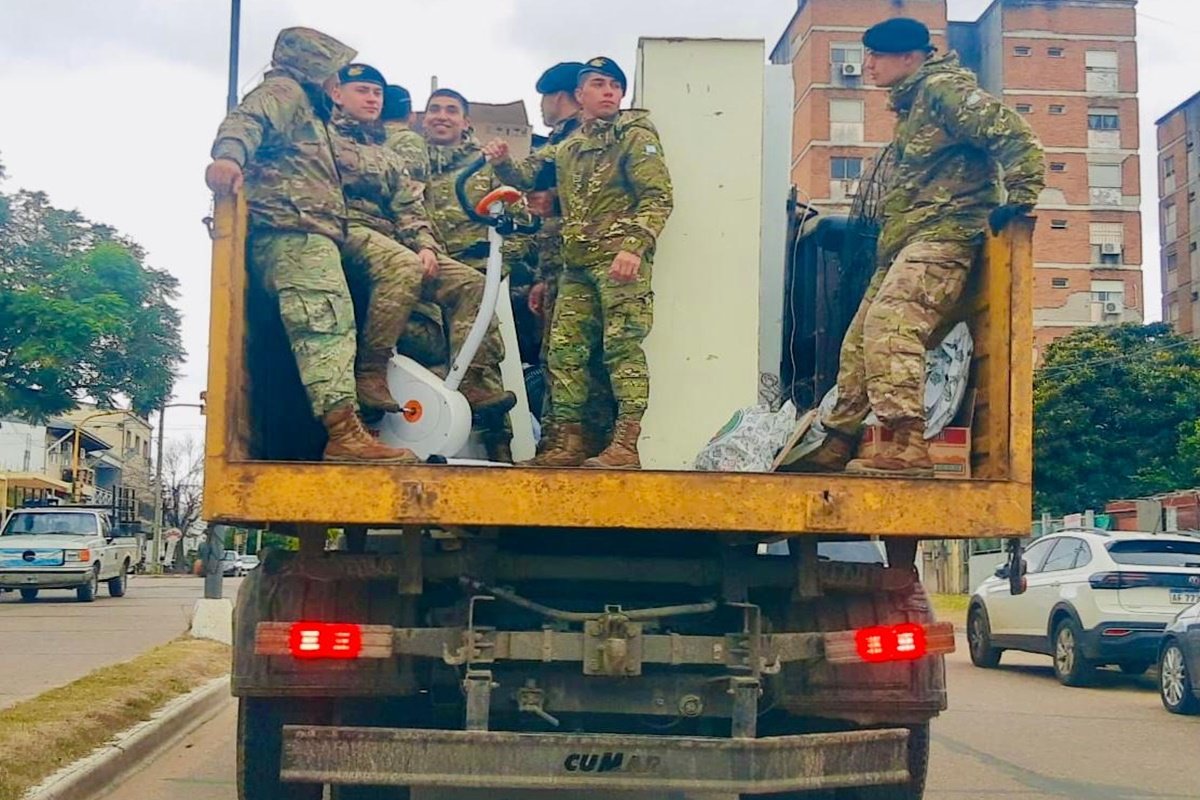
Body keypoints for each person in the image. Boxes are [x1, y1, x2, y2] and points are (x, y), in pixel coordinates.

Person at [794, 17, 1045, 477]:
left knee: (892, 326)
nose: (866, 65)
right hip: (908, 241)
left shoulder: (943, 91)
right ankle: (839, 438)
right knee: (859, 339)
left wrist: (1022, 197)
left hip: (945, 234)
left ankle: (909, 446)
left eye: (876, 56)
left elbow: (1015, 134)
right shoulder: (913, 105)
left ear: (909, 58)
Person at [204, 28, 417, 464]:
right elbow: (247, 119)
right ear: (314, 67)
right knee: (324, 327)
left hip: (309, 232)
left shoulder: (308, 107)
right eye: (334, 73)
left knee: (332, 324)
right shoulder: (285, 91)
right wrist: (227, 156)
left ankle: (348, 430)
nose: (335, 83)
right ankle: (344, 434)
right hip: (291, 232)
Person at [486, 57, 674, 469]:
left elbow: (658, 198)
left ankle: (625, 445)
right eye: (599, 84)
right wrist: (501, 161)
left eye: (615, 85)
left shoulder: (634, 134)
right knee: (564, 353)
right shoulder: (568, 147)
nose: (609, 92)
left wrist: (634, 247)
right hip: (576, 265)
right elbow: (525, 177)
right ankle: (568, 443)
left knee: (622, 350)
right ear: (580, 95)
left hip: (618, 262)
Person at [328, 64, 515, 461]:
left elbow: (409, 208)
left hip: (404, 246)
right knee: (404, 271)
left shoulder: (387, 154)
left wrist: (425, 245)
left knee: (473, 287)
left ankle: (469, 387)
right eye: (362, 91)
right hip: (347, 234)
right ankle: (371, 374)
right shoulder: (324, 139)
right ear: (337, 93)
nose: (372, 99)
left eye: (376, 94)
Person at [524, 61, 616, 460]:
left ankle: (586, 443)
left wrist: (555, 201)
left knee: (581, 358)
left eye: (544, 98)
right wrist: (544, 277)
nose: (542, 107)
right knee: (555, 358)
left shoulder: (583, 137)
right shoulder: (559, 139)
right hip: (559, 267)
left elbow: (596, 196)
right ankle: (556, 442)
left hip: (582, 264)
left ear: (558, 96)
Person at [422, 88, 497, 271]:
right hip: (421, 266)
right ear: (424, 119)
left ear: (465, 123)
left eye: (451, 111)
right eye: (434, 109)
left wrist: (499, 270)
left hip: (475, 271)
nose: (442, 116)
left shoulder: (488, 164)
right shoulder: (408, 163)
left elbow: (517, 226)